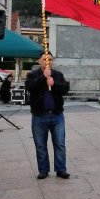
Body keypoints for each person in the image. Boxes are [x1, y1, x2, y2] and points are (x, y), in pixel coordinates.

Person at [25, 51, 71, 180]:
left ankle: (61, 169)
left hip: (56, 115)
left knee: (60, 143)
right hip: (39, 115)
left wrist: (54, 84)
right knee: (40, 145)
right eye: (44, 59)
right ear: (39, 61)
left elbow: (65, 89)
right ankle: (43, 170)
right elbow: (30, 87)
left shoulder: (58, 75)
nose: (47, 61)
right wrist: (42, 78)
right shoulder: (32, 75)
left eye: (50, 59)